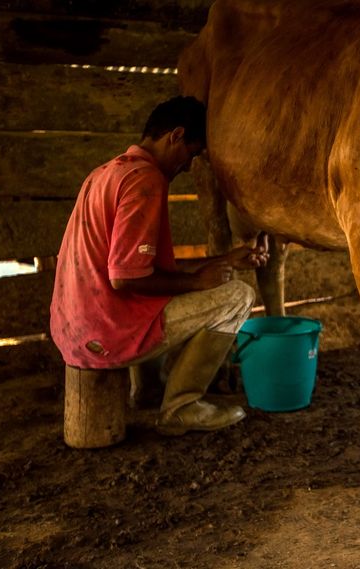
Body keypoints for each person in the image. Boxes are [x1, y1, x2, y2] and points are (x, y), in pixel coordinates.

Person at [50, 96, 268, 436]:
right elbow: (125, 278)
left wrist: (223, 260)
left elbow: (140, 265)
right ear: (175, 136)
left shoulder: (105, 173)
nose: (186, 167)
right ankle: (182, 407)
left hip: (76, 328)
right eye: (191, 154)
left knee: (175, 291)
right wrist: (197, 282)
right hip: (107, 332)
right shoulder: (145, 180)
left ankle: (148, 390)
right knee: (238, 296)